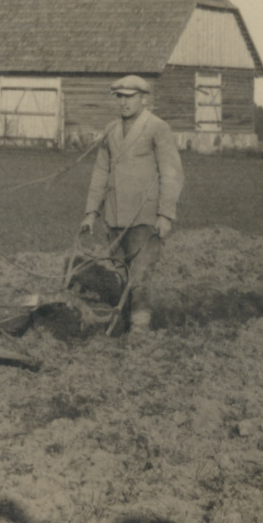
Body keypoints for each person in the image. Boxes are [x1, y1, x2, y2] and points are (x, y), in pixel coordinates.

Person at [78, 74, 185, 334]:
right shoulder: (112, 130)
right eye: (120, 97)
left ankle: (140, 329)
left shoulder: (156, 127)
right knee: (120, 274)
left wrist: (165, 214)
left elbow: (172, 173)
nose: (124, 103)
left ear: (143, 98)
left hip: (144, 216)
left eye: (130, 97)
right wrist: (91, 212)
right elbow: (100, 173)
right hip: (115, 216)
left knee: (139, 276)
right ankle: (123, 324)